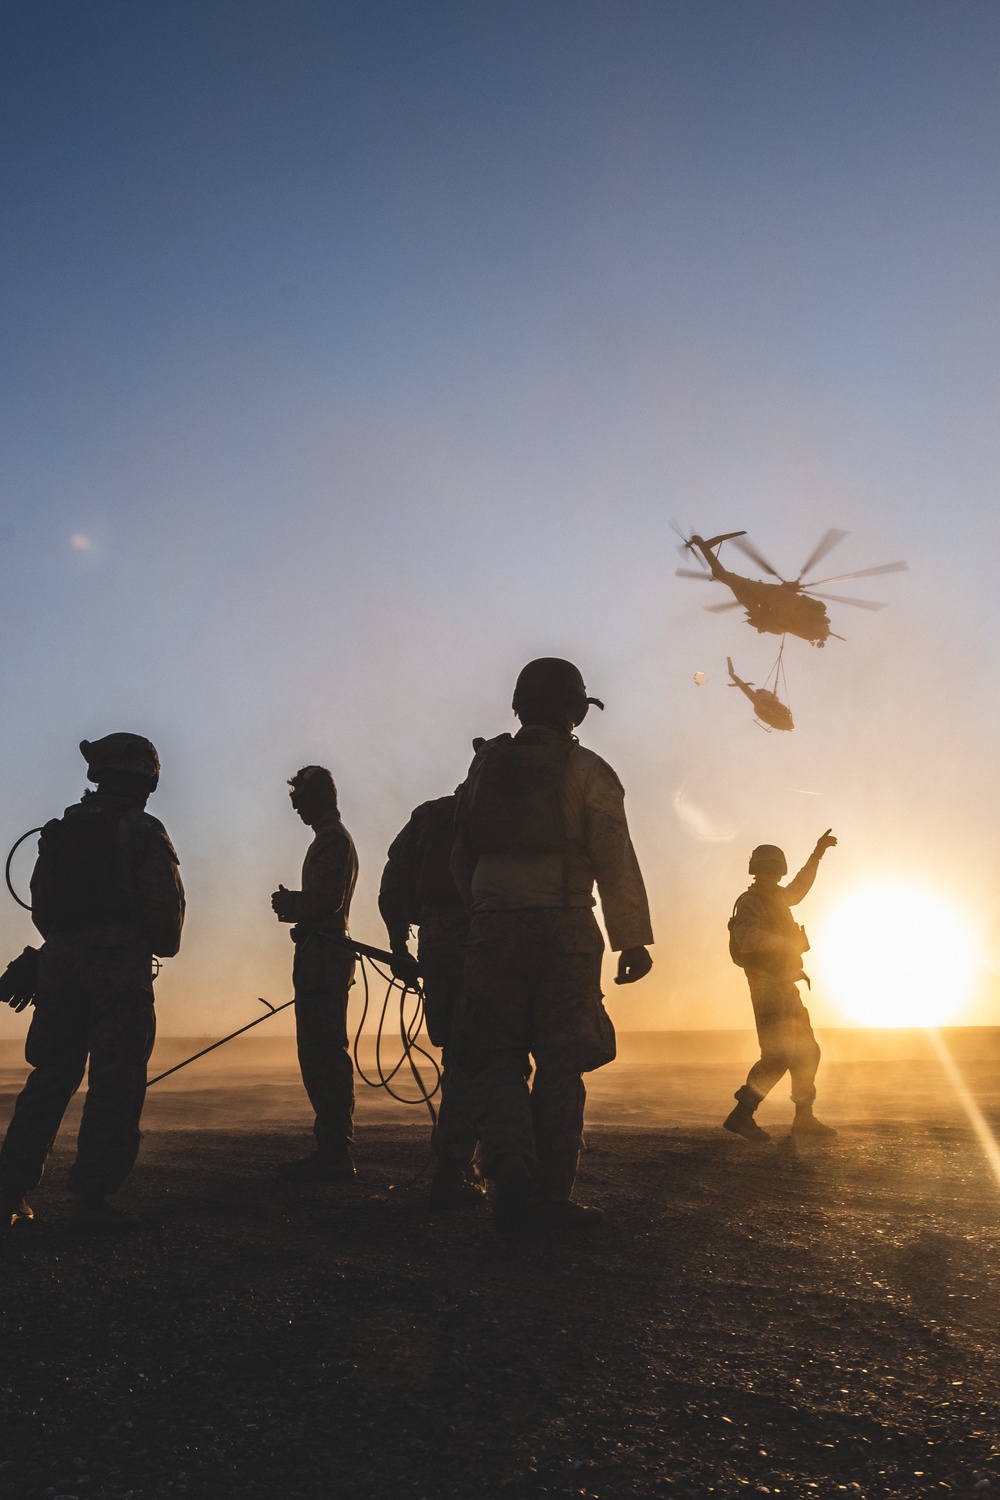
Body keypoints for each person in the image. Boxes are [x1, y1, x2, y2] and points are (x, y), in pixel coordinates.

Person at [452, 658, 654, 1230]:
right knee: (562, 1064)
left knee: (497, 1058)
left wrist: (484, 914)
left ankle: (508, 1166)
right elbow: (615, 856)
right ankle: (549, 1194)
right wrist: (631, 939)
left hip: (492, 929)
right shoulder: (589, 769)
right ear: (574, 710)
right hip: (565, 929)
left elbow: (459, 854)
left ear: (519, 707)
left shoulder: (483, 766)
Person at [0, 733, 184, 1230]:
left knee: (51, 1076)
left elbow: (42, 907)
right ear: (143, 780)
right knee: (115, 1078)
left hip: (58, 962)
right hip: (117, 965)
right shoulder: (142, 830)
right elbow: (167, 925)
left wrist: (65, 950)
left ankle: (10, 1191)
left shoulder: (60, 831)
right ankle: (90, 1198)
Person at [379, 787, 480, 1209]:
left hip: (439, 943)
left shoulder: (431, 815)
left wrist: (399, 946)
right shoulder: (502, 807)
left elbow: (393, 881)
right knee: (484, 1054)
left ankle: (458, 1165)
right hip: (490, 937)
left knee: (461, 1054)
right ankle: (468, 1165)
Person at [271, 766, 358, 1182]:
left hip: (325, 954)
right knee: (318, 1051)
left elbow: (327, 900)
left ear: (319, 798)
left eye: (300, 799)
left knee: (323, 1051)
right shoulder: (329, 840)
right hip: (319, 953)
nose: (295, 807)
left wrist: (291, 904)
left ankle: (336, 1151)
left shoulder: (332, 841)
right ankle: (331, 1147)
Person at [724, 832, 838, 1144]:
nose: (773, 875)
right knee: (777, 1056)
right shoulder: (749, 903)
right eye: (768, 870)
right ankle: (742, 1114)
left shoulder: (776, 898)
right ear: (756, 871)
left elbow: (800, 887)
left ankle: (803, 1117)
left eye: (776, 870)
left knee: (807, 1051)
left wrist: (817, 854)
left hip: (785, 985)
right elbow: (746, 937)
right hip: (767, 987)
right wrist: (787, 944)